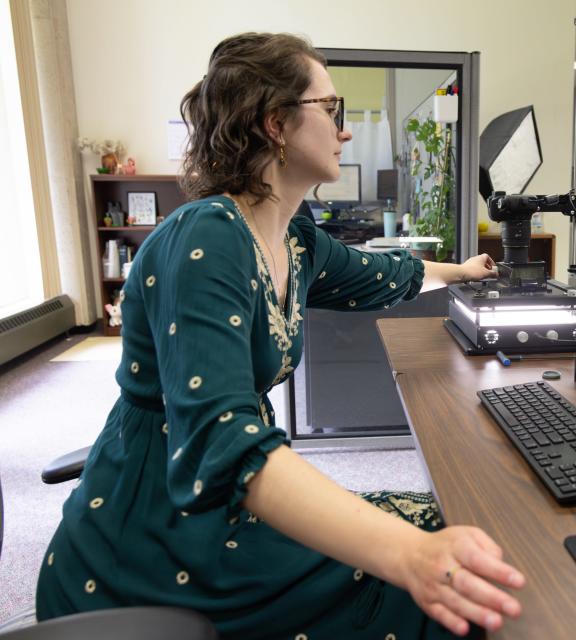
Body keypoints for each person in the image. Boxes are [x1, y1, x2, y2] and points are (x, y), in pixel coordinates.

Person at [36, 32, 525, 639]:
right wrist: (408, 556)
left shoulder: (295, 239)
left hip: (227, 499)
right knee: (428, 584)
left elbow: (384, 274)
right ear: (276, 123)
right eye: (332, 109)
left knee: (447, 528)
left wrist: (464, 271)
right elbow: (226, 442)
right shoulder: (205, 236)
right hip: (158, 538)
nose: (344, 131)